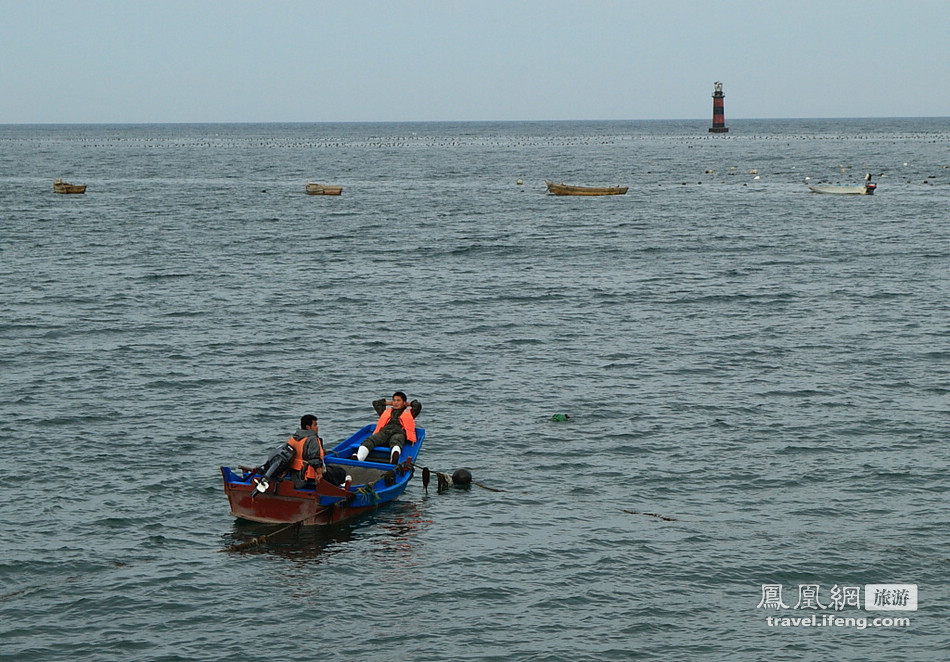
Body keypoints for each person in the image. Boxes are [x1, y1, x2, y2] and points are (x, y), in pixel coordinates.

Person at [352, 391, 421, 464]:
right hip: (384, 431)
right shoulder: (386, 411)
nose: (395, 403)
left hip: (399, 432)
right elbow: (376, 403)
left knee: (396, 442)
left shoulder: (410, 412)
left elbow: (418, 406)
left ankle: (393, 459)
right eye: (394, 400)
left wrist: (407, 404)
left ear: (404, 402)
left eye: (398, 401)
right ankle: (359, 458)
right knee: (370, 440)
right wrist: (390, 403)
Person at [287, 414, 348, 488]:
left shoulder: (293, 438)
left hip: (296, 474)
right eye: (315, 425)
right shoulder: (312, 439)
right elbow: (314, 459)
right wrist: (319, 474)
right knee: (340, 471)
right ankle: (341, 487)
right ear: (308, 427)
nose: (317, 427)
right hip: (310, 476)